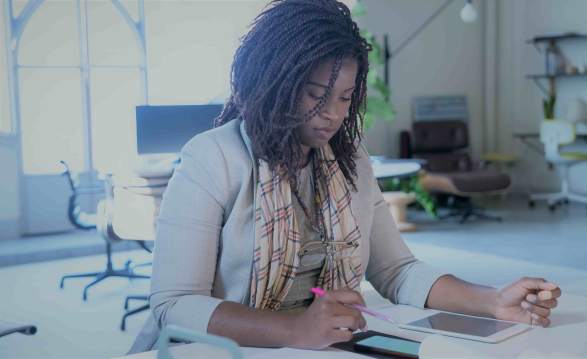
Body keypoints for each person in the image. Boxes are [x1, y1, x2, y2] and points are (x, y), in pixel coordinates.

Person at [130, 0, 561, 352]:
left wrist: (492, 301)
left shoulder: (349, 160)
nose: (333, 114)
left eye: (344, 97)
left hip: (320, 347)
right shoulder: (213, 159)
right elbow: (175, 304)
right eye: (316, 95)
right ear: (272, 83)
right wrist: (294, 329)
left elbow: (397, 271)